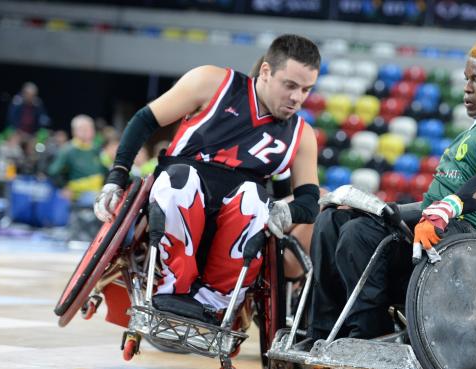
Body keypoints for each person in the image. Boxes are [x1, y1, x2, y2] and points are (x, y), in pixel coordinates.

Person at [305, 37, 476, 342]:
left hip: (471, 238)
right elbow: (431, 203)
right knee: (333, 221)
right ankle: (321, 331)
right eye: (467, 79)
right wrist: (369, 207)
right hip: (434, 224)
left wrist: (447, 207)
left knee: (359, 234)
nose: (468, 88)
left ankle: (367, 335)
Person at [93, 34, 321, 322]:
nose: (297, 98)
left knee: (255, 200)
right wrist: (116, 177)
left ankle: (215, 301)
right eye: (290, 85)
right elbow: (145, 120)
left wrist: (285, 210)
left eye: (306, 89)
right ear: (266, 71)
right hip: (182, 188)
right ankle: (171, 285)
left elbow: (310, 201)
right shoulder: (212, 82)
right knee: (182, 182)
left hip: (236, 211)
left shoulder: (302, 135)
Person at [47, 114, 106, 201]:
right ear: (74, 131)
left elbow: (105, 169)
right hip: (81, 195)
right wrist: (64, 187)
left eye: (90, 128)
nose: (87, 131)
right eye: (83, 129)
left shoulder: (96, 148)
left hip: (100, 190)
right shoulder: (68, 150)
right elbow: (53, 171)